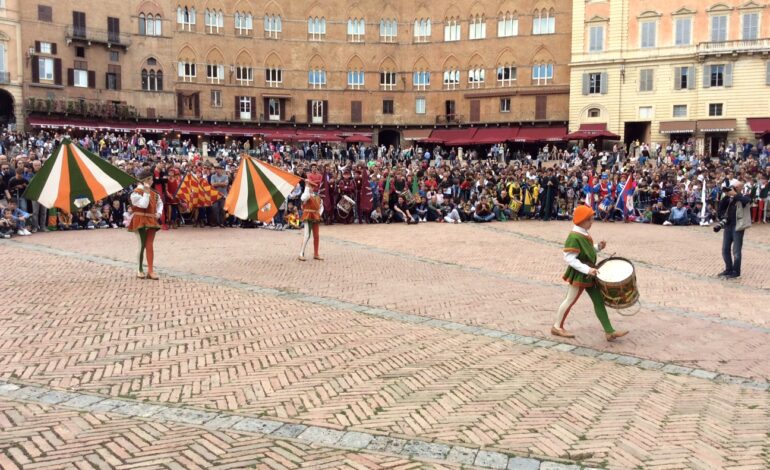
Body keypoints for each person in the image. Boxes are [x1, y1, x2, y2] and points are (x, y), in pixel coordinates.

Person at [552, 205, 629, 341]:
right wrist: (587, 269)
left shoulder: (583, 233)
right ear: (583, 220)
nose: (592, 221)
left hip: (589, 274)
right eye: (590, 219)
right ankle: (557, 327)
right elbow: (569, 258)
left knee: (598, 301)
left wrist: (597, 247)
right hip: (580, 274)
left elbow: (587, 250)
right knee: (570, 300)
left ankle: (609, 331)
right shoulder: (574, 236)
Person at [128, 168, 163, 280]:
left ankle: (151, 270)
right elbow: (143, 205)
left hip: (151, 220)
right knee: (142, 245)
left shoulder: (154, 193)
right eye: (150, 179)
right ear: (145, 180)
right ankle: (140, 269)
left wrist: (158, 212)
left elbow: (160, 203)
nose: (152, 181)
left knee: (149, 245)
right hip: (140, 220)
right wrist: (147, 193)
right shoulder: (135, 193)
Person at [717, 180, 751, 279]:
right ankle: (728, 269)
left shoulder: (745, 196)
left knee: (736, 251)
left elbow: (746, 201)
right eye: (733, 187)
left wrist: (735, 194)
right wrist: (727, 195)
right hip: (728, 226)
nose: (733, 188)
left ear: (741, 188)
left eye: (736, 187)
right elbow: (721, 207)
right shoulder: (729, 198)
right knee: (725, 250)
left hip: (738, 226)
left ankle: (736, 271)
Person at [299, 174, 323, 261]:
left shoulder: (317, 196)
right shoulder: (307, 194)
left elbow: (321, 206)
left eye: (312, 186)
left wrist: (319, 214)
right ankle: (301, 253)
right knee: (307, 235)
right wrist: (306, 187)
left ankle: (316, 254)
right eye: (311, 186)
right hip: (308, 215)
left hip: (315, 216)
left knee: (316, 235)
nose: (312, 187)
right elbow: (304, 198)